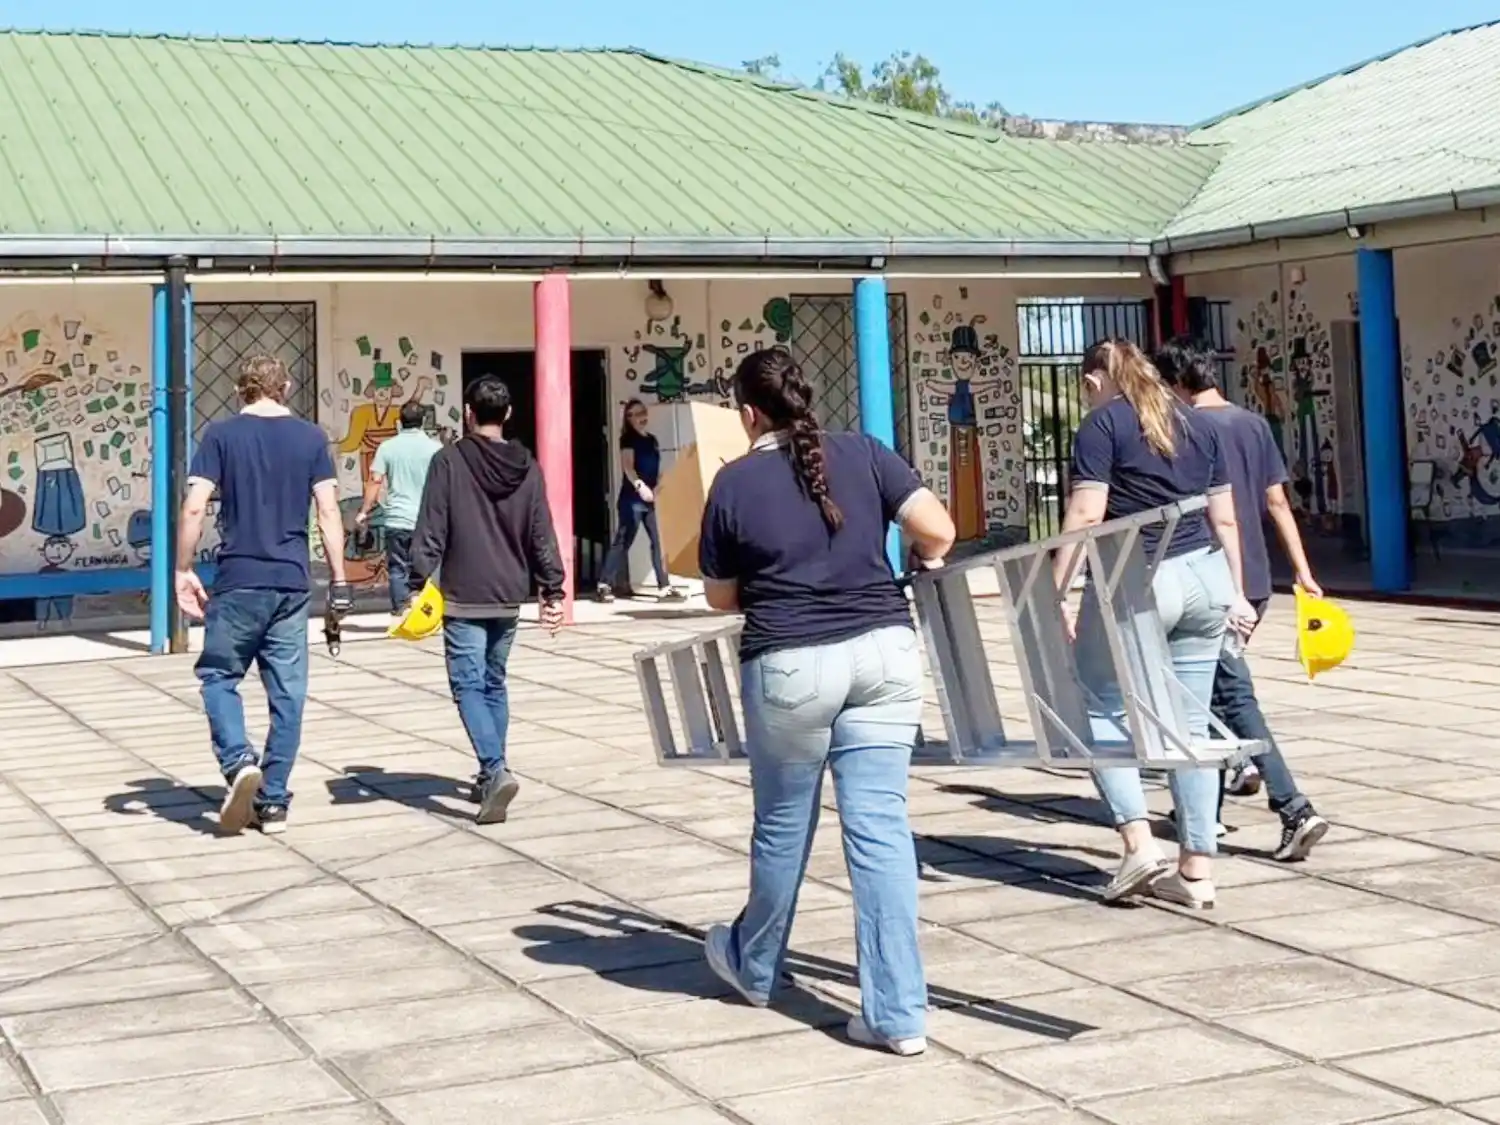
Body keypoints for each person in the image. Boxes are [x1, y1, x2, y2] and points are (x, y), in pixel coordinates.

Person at [697, 347, 956, 1056]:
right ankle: (898, 1013)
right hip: (885, 654)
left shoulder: (733, 484)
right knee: (881, 830)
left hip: (789, 664)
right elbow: (939, 531)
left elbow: (720, 596)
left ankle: (754, 964)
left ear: (749, 413)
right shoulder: (867, 453)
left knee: (783, 825)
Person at [1054, 338, 1257, 911]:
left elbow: (1088, 513)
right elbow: (1226, 518)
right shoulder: (1198, 423)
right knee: (1189, 727)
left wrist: (1055, 590)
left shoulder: (1102, 427)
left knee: (1100, 704)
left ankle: (1139, 845)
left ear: (1095, 381)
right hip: (1203, 579)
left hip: (1135, 576)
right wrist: (1236, 593)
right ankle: (1196, 871)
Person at [1156, 337, 1330, 862]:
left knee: (1226, 697)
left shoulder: (1186, 428)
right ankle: (1205, 808)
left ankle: (1293, 807)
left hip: (1211, 581)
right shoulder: (1253, 424)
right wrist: (1301, 570)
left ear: (1177, 381)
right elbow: (1277, 502)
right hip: (1253, 577)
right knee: (1201, 694)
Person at [176, 355, 351, 837]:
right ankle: (273, 802)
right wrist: (338, 579)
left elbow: (194, 508)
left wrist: (182, 569)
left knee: (218, 675)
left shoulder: (219, 436)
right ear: (287, 387)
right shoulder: (313, 438)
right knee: (288, 694)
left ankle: (238, 763)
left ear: (240, 390)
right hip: (292, 583)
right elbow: (329, 513)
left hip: (239, 579)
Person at [409, 375, 567, 825]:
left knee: (467, 686)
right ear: (509, 414)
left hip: (464, 592)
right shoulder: (528, 467)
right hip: (508, 593)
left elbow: (432, 526)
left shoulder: (448, 462)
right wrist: (552, 589)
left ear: (468, 412)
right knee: (494, 682)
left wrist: (416, 580)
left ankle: (495, 769)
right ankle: (489, 771)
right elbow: (542, 532)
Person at [355, 401, 441, 616]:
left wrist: (364, 511)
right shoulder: (436, 449)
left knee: (397, 568)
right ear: (423, 421)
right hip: (426, 521)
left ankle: (400, 611)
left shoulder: (387, 447)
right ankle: (424, 613)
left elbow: (375, 481)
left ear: (400, 422)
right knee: (426, 568)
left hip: (397, 519)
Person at [596, 399, 685, 602]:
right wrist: (640, 486)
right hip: (632, 499)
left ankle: (664, 586)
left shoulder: (652, 440)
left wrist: (660, 484)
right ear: (628, 419)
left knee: (657, 541)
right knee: (624, 541)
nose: (641, 417)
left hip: (650, 499)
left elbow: (656, 467)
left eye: (642, 412)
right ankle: (604, 584)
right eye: (635, 414)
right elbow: (628, 467)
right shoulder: (628, 439)